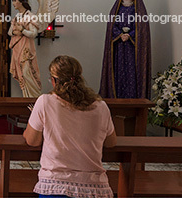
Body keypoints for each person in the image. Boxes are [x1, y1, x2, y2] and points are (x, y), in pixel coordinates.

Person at [24, 55, 117, 198]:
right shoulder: (101, 106)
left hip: (55, 185)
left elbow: (32, 141)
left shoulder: (45, 102)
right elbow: (111, 142)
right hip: (94, 188)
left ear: (54, 81)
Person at [100, 0, 151, 98]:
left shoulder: (137, 9)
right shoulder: (117, 9)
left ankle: (132, 97)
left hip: (132, 46)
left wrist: (129, 35)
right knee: (118, 70)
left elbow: (141, 27)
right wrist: (120, 34)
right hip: (118, 45)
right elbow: (112, 25)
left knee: (131, 71)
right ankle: (117, 96)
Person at [8, 0, 42, 98]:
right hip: (17, 47)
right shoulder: (17, 17)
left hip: (26, 48)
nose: (13, 3)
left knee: (27, 72)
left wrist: (22, 30)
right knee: (21, 73)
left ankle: (34, 98)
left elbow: (33, 34)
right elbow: (10, 32)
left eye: (15, 0)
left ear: (21, 2)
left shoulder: (31, 17)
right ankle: (26, 99)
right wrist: (16, 32)